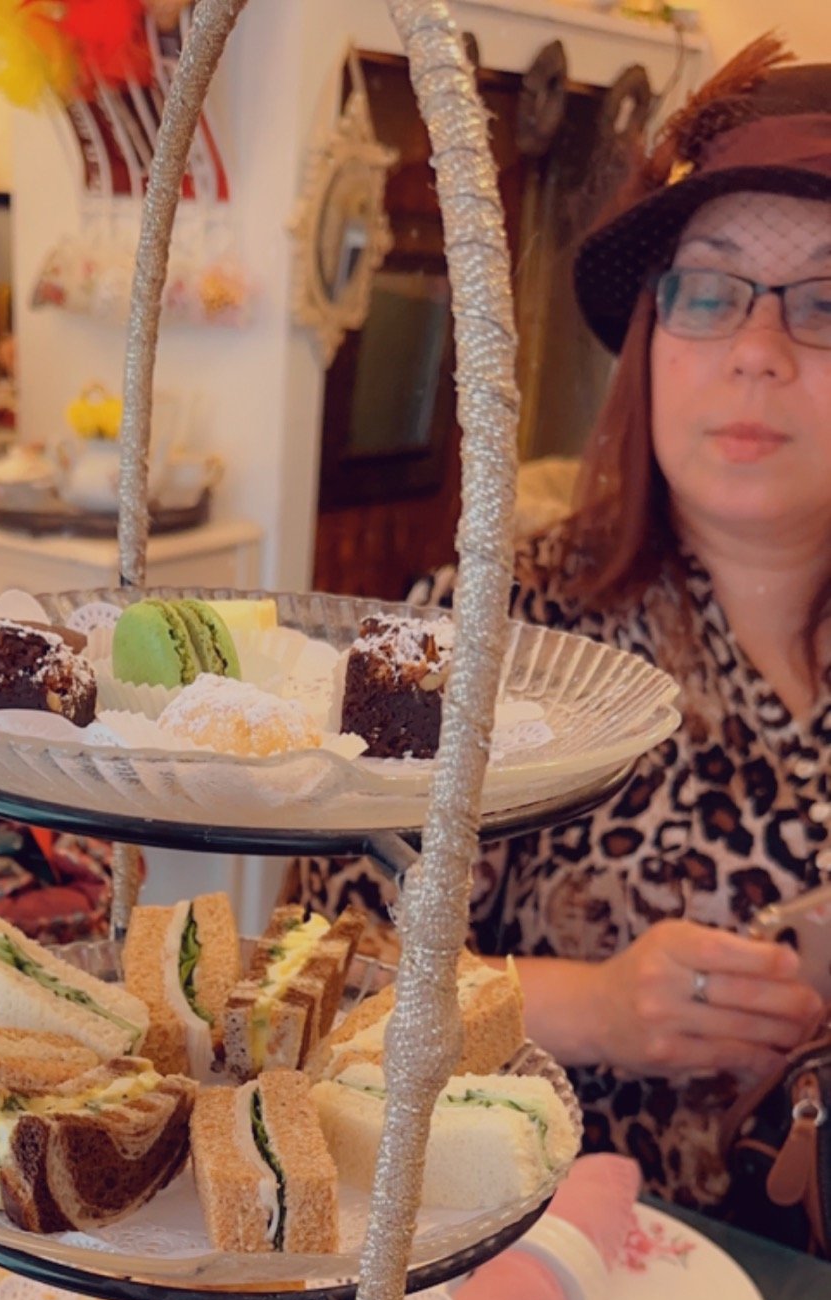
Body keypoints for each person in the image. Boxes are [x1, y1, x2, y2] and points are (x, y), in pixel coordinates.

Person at [299, 41, 831, 1215]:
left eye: (825, 302)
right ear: (651, 338)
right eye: (709, 289)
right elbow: (315, 982)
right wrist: (591, 1007)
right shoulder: (489, 629)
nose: (755, 348)